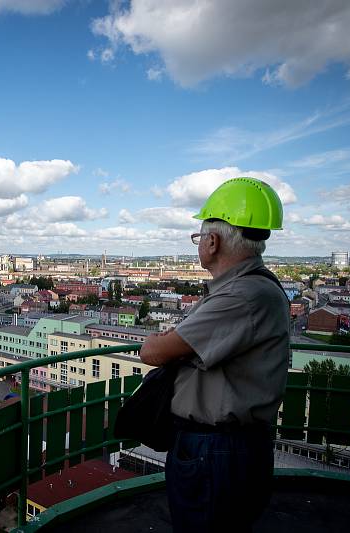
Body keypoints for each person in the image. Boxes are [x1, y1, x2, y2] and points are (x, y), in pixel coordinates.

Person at [139, 177, 289, 532]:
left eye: (198, 237)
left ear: (212, 241)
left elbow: (155, 351)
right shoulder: (252, 288)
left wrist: (159, 342)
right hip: (229, 447)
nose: (199, 245)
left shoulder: (239, 296)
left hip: (217, 449)